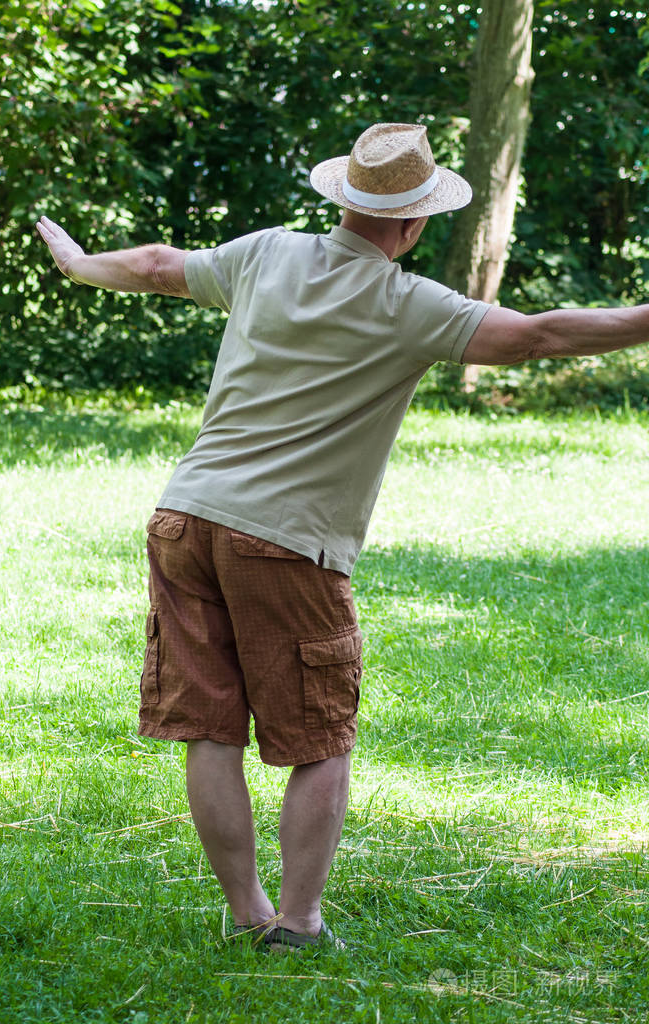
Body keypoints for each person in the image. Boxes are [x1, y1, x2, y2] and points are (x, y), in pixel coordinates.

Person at [36, 121, 649, 951]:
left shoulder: (265, 253)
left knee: (210, 728)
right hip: (285, 543)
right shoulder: (409, 305)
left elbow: (152, 265)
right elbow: (537, 335)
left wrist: (78, 265)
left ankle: (248, 913)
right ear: (412, 223)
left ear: (346, 201)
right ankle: (298, 922)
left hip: (185, 517)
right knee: (319, 737)